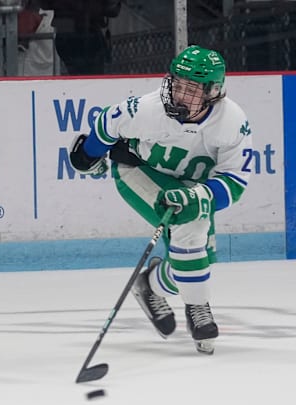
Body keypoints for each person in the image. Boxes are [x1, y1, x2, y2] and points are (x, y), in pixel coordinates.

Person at [68, 45, 252, 354]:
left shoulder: (233, 121)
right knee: (190, 229)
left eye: (191, 88)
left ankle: (149, 285)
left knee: (195, 261)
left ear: (213, 92)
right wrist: (88, 156)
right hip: (139, 172)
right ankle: (198, 309)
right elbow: (105, 125)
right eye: (177, 83)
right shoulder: (147, 109)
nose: (180, 93)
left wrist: (200, 195)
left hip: (191, 186)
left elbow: (235, 182)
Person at [40, 0, 120, 75]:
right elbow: (111, 10)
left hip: (69, 34)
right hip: (85, 35)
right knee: (92, 78)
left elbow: (45, 5)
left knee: (80, 76)